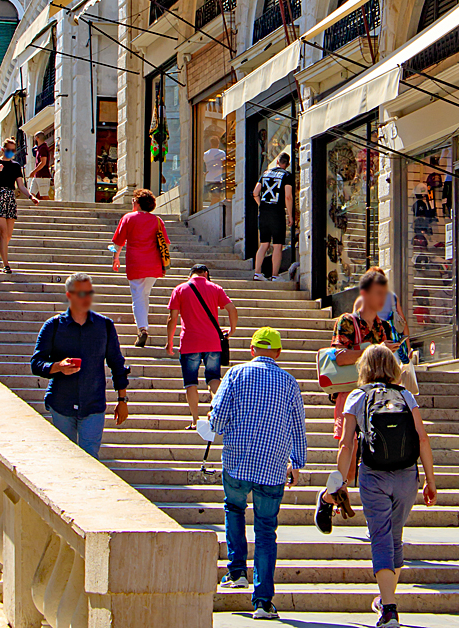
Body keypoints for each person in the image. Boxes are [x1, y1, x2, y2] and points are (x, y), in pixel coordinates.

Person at [321, 344, 437, 627]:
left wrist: (339, 483)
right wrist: (431, 481)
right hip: (407, 476)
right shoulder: (406, 395)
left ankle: (389, 608)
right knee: (394, 537)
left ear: (364, 367)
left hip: (373, 475)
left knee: (381, 538)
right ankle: (386, 599)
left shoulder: (356, 397)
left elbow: (345, 444)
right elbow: (423, 438)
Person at [210, 327, 306, 619]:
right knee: (266, 530)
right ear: (277, 353)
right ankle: (263, 601)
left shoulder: (236, 374)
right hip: (273, 466)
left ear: (252, 349)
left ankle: (237, 571)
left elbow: (218, 417)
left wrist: (218, 427)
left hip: (237, 460)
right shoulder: (289, 382)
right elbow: (298, 426)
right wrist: (297, 461)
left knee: (233, 507)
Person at [31, 272, 129, 458]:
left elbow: (117, 363)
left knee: (90, 457)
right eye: (81, 293)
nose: (86, 298)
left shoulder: (105, 326)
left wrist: (122, 400)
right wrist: (58, 366)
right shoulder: (53, 325)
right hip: (61, 403)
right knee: (64, 458)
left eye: (89, 293)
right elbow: (36, 363)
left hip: (93, 404)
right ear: (69, 295)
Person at [331, 268, 396, 479]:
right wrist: (374, 348)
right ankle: (343, 493)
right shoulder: (347, 322)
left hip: (376, 396)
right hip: (351, 391)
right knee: (348, 445)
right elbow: (339, 357)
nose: (382, 299)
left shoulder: (384, 326)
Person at [166, 263, 238, 428]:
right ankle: (215, 416)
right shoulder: (216, 288)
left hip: (189, 342)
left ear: (190, 275)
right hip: (212, 342)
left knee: (190, 382)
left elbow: (172, 318)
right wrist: (232, 329)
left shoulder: (180, 289)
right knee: (214, 379)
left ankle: (195, 420)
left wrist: (169, 341)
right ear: (206, 274)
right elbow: (232, 309)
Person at [111, 188, 170, 347]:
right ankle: (142, 325)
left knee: (138, 295)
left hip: (136, 262)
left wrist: (115, 258)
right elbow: (165, 244)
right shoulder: (157, 220)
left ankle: (142, 329)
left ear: (137, 203)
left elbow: (118, 242)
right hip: (153, 263)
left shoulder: (128, 218)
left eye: (133, 200)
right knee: (144, 293)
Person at [0, 137, 39, 273]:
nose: (11, 152)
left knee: (7, 236)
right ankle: (6, 264)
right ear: (3, 149)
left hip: (10, 198)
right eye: (8, 150)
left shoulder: (15, 166)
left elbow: (20, 185)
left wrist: (31, 196)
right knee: (2, 233)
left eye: (13, 150)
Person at [252, 152, 294, 282]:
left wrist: (261, 205)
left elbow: (255, 192)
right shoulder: (287, 175)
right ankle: (274, 275)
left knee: (264, 244)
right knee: (277, 245)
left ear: (277, 162)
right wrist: (290, 215)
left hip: (264, 212)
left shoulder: (265, 173)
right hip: (277, 213)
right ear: (287, 164)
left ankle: (257, 273)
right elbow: (288, 196)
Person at [28, 131, 53, 199]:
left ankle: (49, 209)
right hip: (38, 176)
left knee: (44, 195)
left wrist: (34, 171)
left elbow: (43, 162)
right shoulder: (39, 148)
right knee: (31, 194)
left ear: (37, 138)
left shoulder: (43, 148)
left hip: (43, 176)